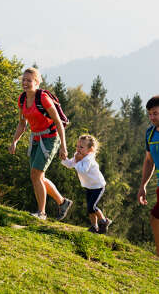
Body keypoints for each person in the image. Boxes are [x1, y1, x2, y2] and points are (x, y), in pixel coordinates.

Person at [9, 67, 72, 220]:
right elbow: (22, 124)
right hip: (36, 138)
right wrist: (14, 141)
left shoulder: (43, 98)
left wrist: (63, 146)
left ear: (37, 82)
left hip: (51, 138)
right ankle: (62, 202)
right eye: (23, 80)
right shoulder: (22, 99)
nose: (25, 83)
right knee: (38, 176)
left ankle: (42, 213)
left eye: (29, 80)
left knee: (36, 174)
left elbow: (58, 122)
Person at [61, 134, 112, 234]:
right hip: (89, 186)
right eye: (77, 146)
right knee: (90, 208)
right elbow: (70, 164)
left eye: (81, 147)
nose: (78, 149)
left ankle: (104, 221)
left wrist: (77, 161)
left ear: (90, 149)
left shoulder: (89, 159)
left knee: (92, 206)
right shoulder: (79, 156)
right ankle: (94, 226)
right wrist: (64, 159)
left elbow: (83, 170)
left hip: (98, 186)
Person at [137, 95, 159, 256]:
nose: (152, 117)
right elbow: (149, 161)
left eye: (156, 113)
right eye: (150, 114)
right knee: (155, 219)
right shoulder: (150, 133)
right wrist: (143, 185)